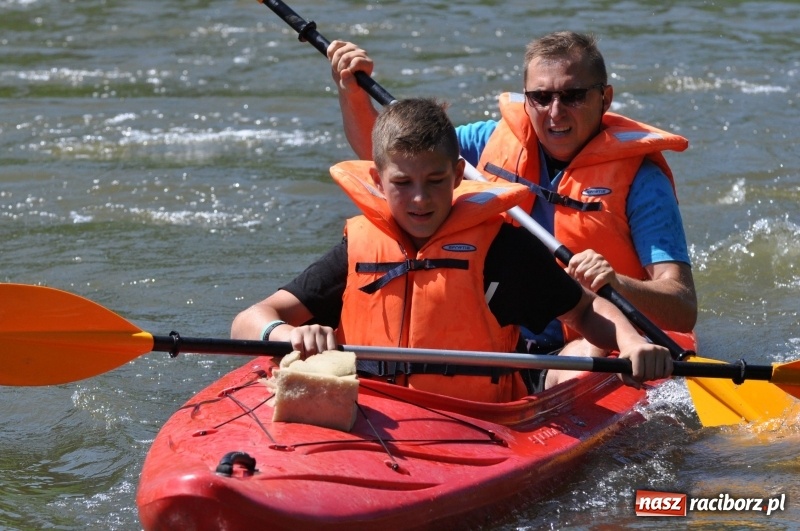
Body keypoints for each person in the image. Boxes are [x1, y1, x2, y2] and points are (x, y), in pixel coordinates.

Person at [231, 98, 672, 403]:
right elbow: (248, 320)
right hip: (370, 415)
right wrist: (289, 335)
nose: (420, 199)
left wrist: (632, 342)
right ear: (378, 179)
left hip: (479, 424)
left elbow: (587, 312)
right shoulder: (356, 247)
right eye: (402, 184)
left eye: (435, 181)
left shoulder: (503, 248)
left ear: (459, 174)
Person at [326, 32, 696, 388]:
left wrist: (617, 284)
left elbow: (681, 308)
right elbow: (401, 162)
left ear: (605, 98)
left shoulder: (642, 181)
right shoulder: (488, 141)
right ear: (526, 98)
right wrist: (353, 95)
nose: (555, 112)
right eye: (541, 97)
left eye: (573, 95)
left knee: (585, 348)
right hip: (498, 337)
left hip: (589, 341)